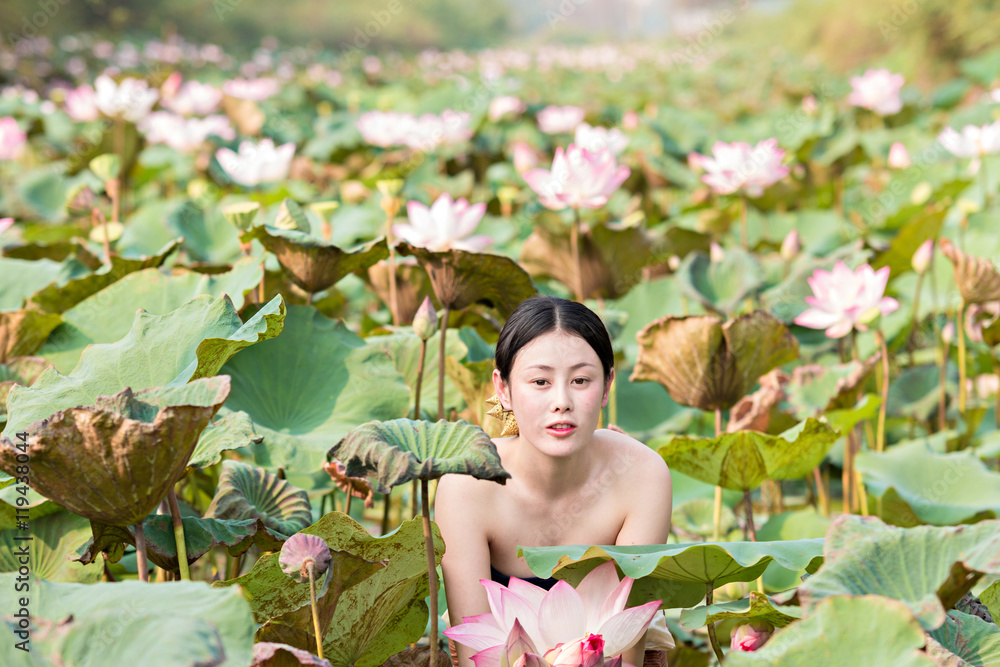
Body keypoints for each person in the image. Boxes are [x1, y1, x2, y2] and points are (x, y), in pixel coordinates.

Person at [436, 296, 674, 666]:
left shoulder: (641, 475)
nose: (561, 401)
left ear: (608, 384)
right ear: (503, 388)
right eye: (540, 381)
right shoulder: (468, 484)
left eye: (581, 380)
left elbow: (626, 655)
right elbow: (473, 658)